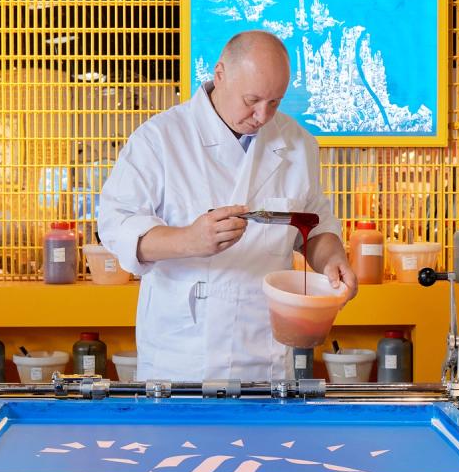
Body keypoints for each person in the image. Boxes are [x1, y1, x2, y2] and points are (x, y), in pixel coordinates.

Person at [98, 30, 357, 381]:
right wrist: (188, 240)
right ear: (220, 74)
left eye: (275, 102)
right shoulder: (160, 138)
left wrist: (332, 260)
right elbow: (115, 225)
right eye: (252, 99)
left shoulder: (297, 144)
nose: (262, 115)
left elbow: (315, 224)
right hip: (182, 355)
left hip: (265, 354)